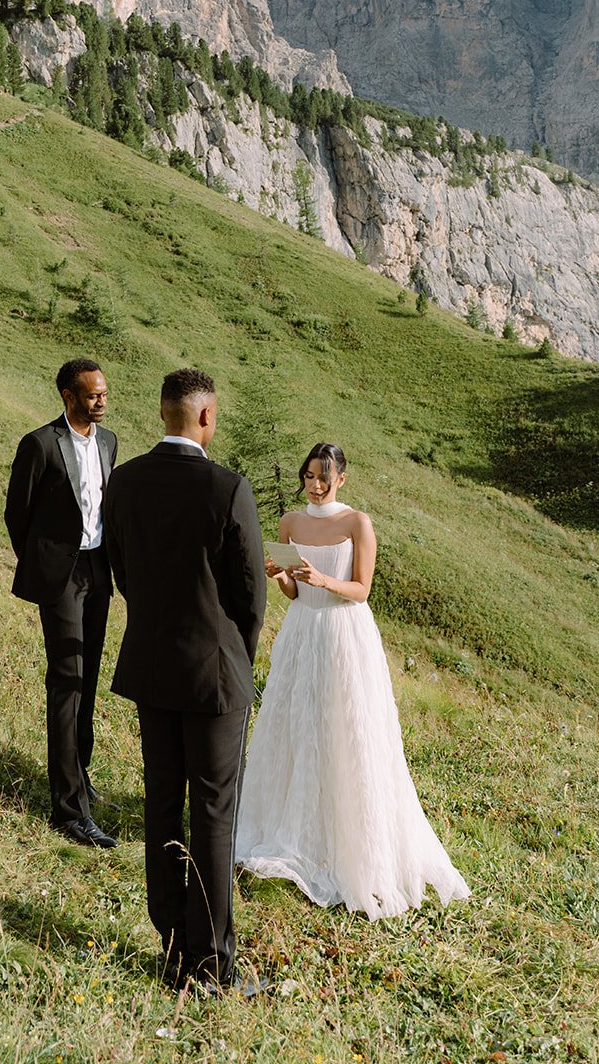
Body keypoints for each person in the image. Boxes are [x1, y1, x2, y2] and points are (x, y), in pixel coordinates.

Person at [235, 442, 470, 919]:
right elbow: (293, 590)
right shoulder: (290, 521)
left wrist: (324, 581)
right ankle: (294, 829)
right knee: (297, 727)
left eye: (324, 477)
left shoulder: (358, 523)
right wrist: (280, 575)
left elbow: (361, 589)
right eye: (309, 476)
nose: (315, 486)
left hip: (345, 632)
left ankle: (349, 838)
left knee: (348, 730)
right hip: (304, 630)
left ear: (341, 478)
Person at [104, 369, 267, 992]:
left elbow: (121, 569)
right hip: (215, 674)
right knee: (214, 812)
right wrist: (237, 656)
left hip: (152, 665)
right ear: (205, 416)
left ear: (164, 413)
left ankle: (172, 945)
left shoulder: (125, 481)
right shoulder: (227, 488)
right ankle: (213, 965)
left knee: (161, 805)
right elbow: (250, 595)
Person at [5, 358, 118, 848]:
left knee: (88, 677)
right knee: (67, 681)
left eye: (104, 393)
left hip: (99, 571)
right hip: (63, 577)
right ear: (68, 397)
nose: (101, 401)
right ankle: (68, 811)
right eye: (92, 394)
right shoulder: (40, 444)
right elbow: (17, 513)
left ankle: (80, 778)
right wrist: (47, 567)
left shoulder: (109, 442)